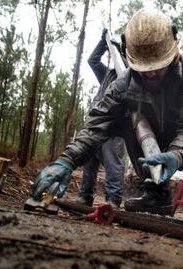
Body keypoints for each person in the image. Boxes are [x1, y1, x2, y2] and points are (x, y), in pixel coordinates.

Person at [32, 9, 183, 228]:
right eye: (145, 68)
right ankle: (156, 194)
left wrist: (175, 155)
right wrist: (66, 160)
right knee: (126, 116)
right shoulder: (123, 85)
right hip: (148, 152)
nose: (151, 73)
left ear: (172, 52)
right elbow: (96, 124)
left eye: (157, 66)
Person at [76, 30, 125, 208]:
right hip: (96, 123)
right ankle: (85, 195)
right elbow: (92, 60)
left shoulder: (130, 74)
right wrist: (103, 42)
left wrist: (119, 50)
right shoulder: (107, 74)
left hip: (115, 126)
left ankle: (113, 200)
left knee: (113, 164)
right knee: (89, 159)